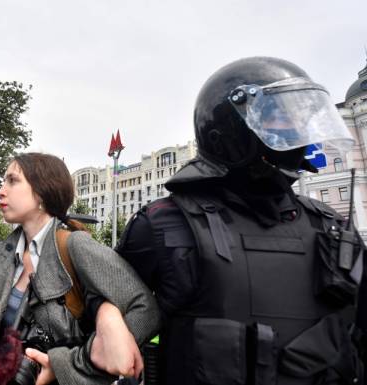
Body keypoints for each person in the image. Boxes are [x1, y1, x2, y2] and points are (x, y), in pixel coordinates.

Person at [117, 56, 366, 385]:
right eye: (279, 118)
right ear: (230, 130)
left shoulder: (333, 229)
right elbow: (102, 298)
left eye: (298, 119)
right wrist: (108, 318)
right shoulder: (164, 223)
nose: (297, 131)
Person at [0, 152, 159, 385]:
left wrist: (69, 365)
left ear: (42, 193)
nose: (0, 191)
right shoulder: (3, 252)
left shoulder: (74, 244)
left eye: (13, 181)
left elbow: (145, 309)